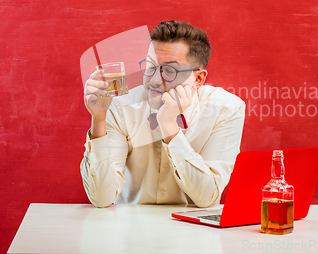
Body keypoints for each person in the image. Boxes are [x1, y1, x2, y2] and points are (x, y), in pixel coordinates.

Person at [80, 21, 246, 208]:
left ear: (198, 79)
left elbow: (207, 197)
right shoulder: (121, 107)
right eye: (150, 67)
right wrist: (99, 119)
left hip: (196, 231)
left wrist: (169, 126)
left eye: (169, 70)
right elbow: (102, 198)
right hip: (130, 229)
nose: (155, 81)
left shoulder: (226, 109)